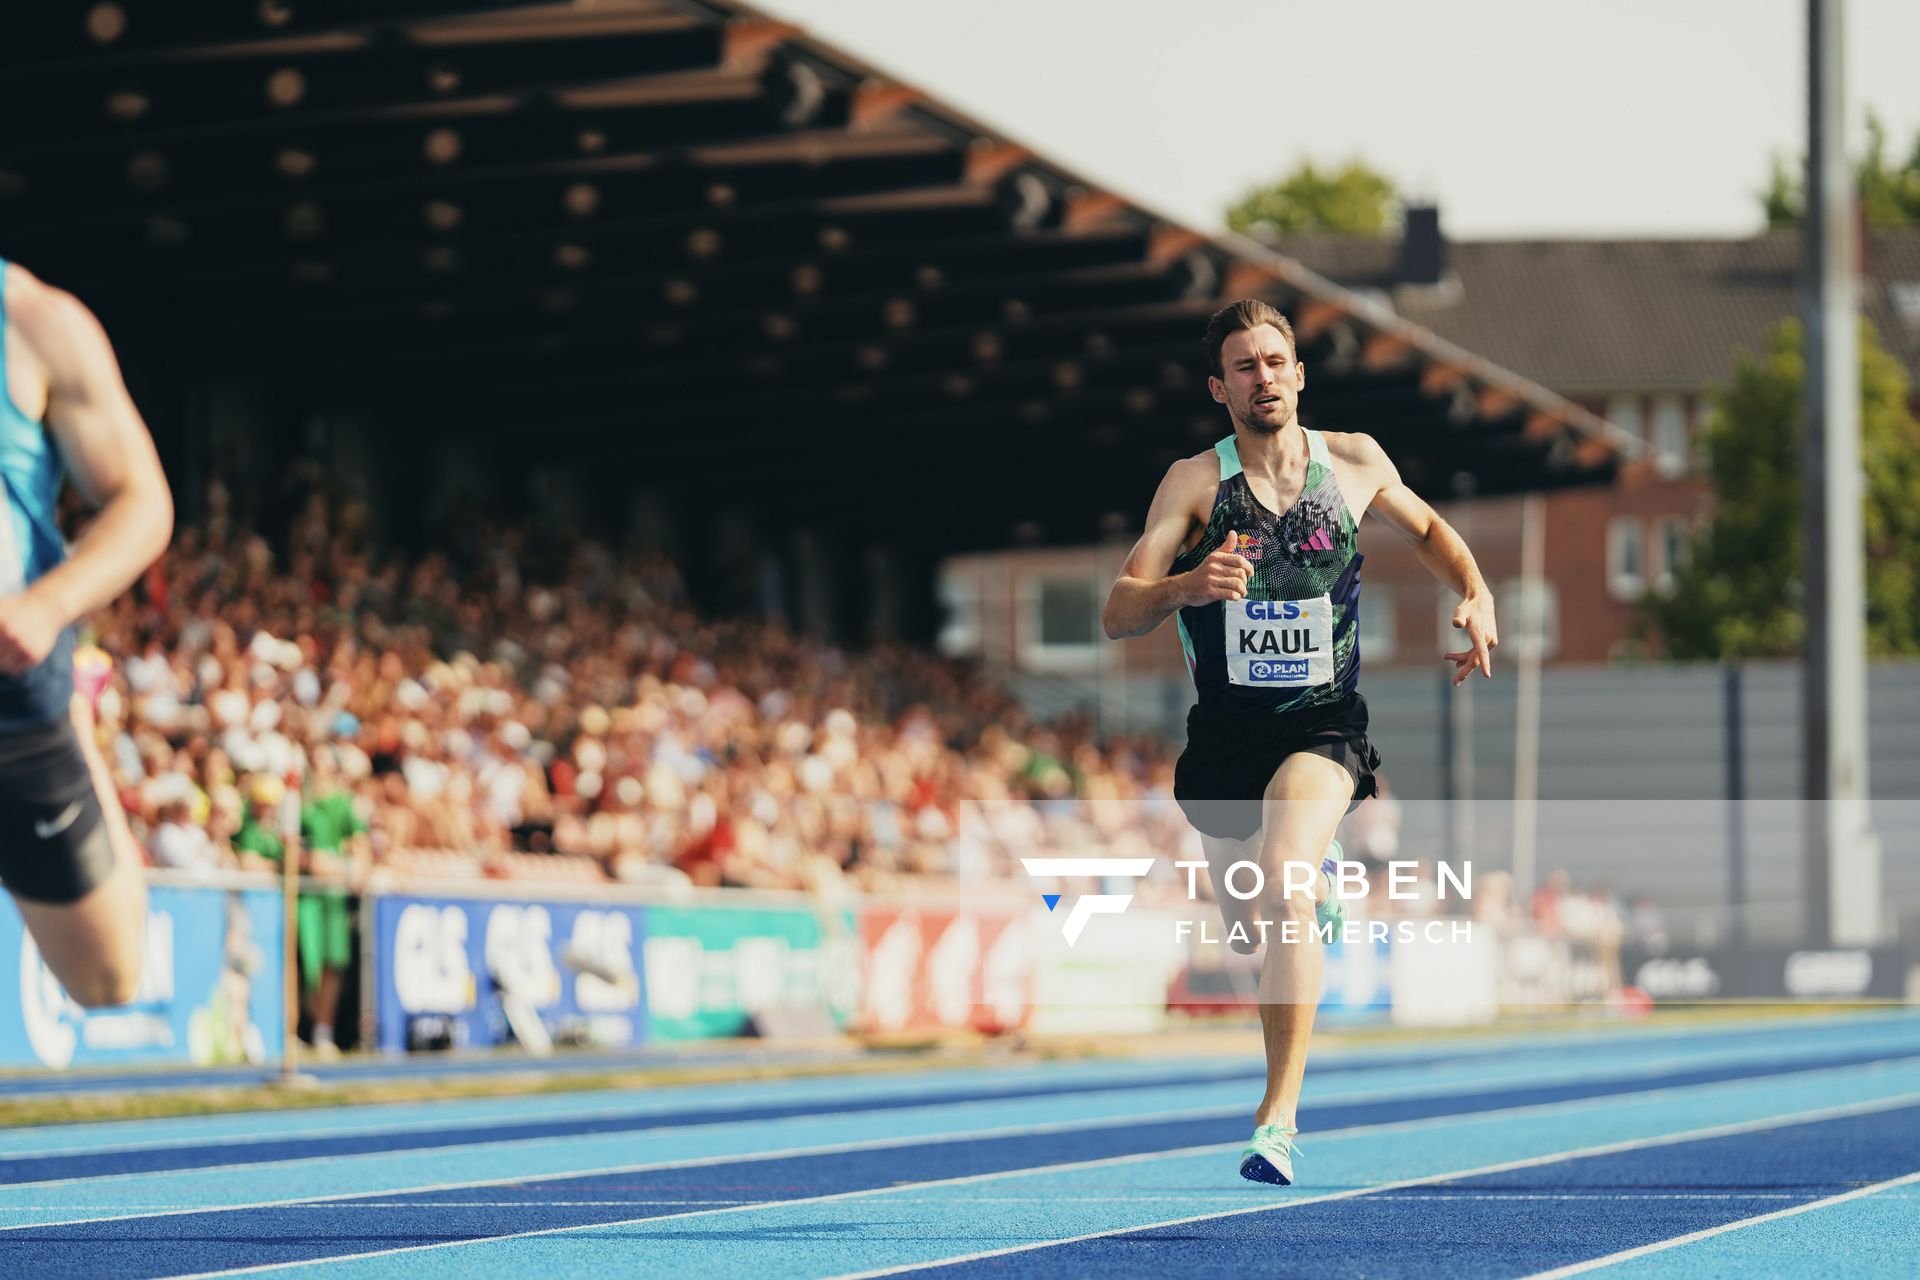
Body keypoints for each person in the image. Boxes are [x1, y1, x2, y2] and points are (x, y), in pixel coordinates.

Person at [1102, 299, 1496, 1185]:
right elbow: (1118, 610)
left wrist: (1475, 593)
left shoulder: (1353, 462)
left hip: (1322, 724)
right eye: (1244, 366)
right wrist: (1188, 582)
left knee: (1282, 888)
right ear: (1220, 387)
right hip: (1226, 736)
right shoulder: (1194, 483)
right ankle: (1308, 896)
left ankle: (1276, 1119)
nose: (1264, 377)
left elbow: (1433, 534)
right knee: (1251, 929)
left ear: (1300, 373)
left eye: (1275, 360)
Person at [0, 258, 173, 1007]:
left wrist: (46, 607)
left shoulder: (34, 320)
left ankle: (77, 722)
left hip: (11, 676)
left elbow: (143, 501)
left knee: (106, 978)